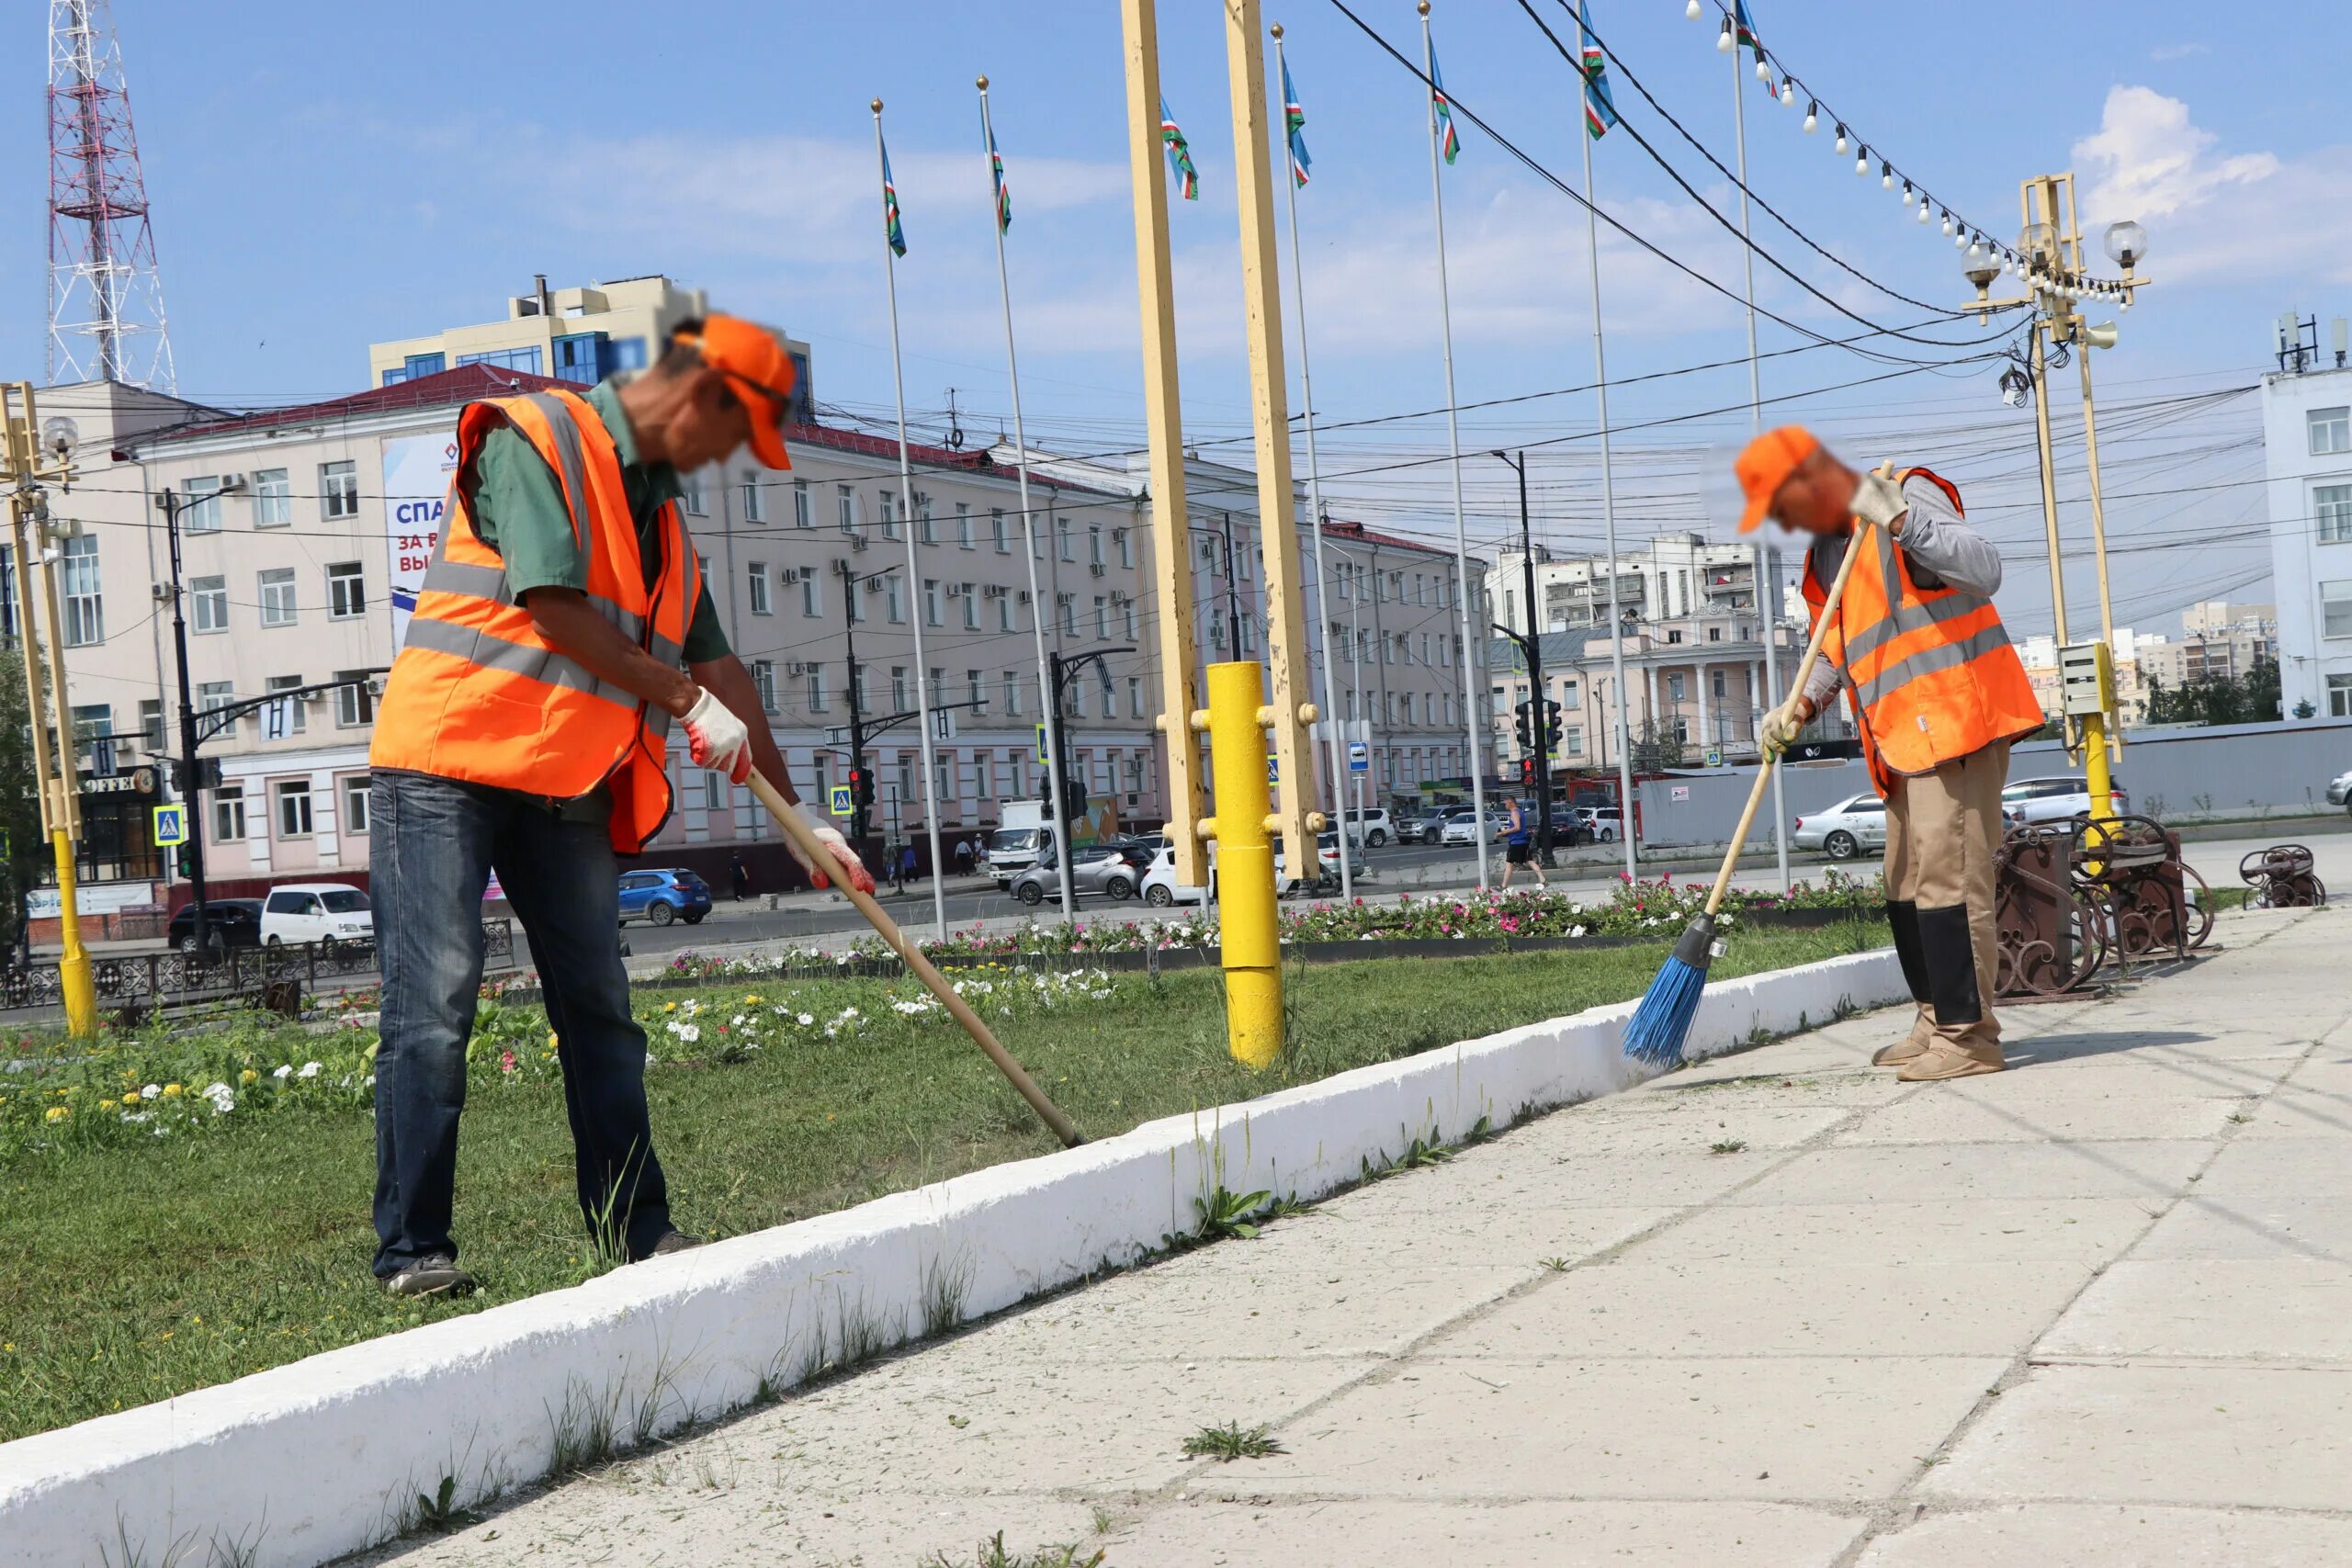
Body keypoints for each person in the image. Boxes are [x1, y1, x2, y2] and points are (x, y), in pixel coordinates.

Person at [366, 314, 873, 1299]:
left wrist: (794, 819)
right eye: (731, 435)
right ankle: (413, 1249)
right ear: (696, 396)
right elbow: (552, 604)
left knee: (599, 1007)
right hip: (447, 765)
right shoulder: (533, 438)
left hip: (563, 778)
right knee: (435, 1004)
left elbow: (719, 664)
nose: (725, 458)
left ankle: (638, 1231)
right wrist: (682, 700)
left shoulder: (664, 523)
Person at [1738, 425, 2042, 1081]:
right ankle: (1936, 1016)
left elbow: (1984, 568)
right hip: (1902, 741)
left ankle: (1970, 1037)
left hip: (1957, 724)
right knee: (1904, 884)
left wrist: (1901, 520)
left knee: (1951, 881)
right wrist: (1800, 704)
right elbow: (1839, 650)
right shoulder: (1829, 556)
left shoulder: (1902, 496)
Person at [1499, 796, 1547, 890]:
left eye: (1506, 803)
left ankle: (1504, 886)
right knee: (1530, 861)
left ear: (1511, 802)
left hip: (1516, 842)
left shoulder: (1514, 813)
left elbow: (1517, 827)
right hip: (1523, 842)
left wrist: (1503, 832)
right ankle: (1543, 880)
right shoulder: (1520, 812)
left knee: (1509, 863)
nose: (1505, 805)